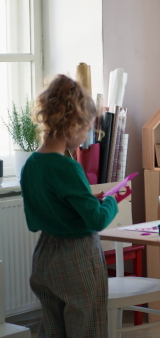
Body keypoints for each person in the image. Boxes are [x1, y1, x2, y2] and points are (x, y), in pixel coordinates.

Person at [20, 74, 119, 337]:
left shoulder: (30, 165)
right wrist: (110, 202)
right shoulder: (67, 167)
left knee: (52, 329)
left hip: (44, 257)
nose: (87, 135)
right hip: (77, 258)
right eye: (87, 128)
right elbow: (96, 220)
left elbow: (34, 221)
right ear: (73, 124)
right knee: (86, 328)